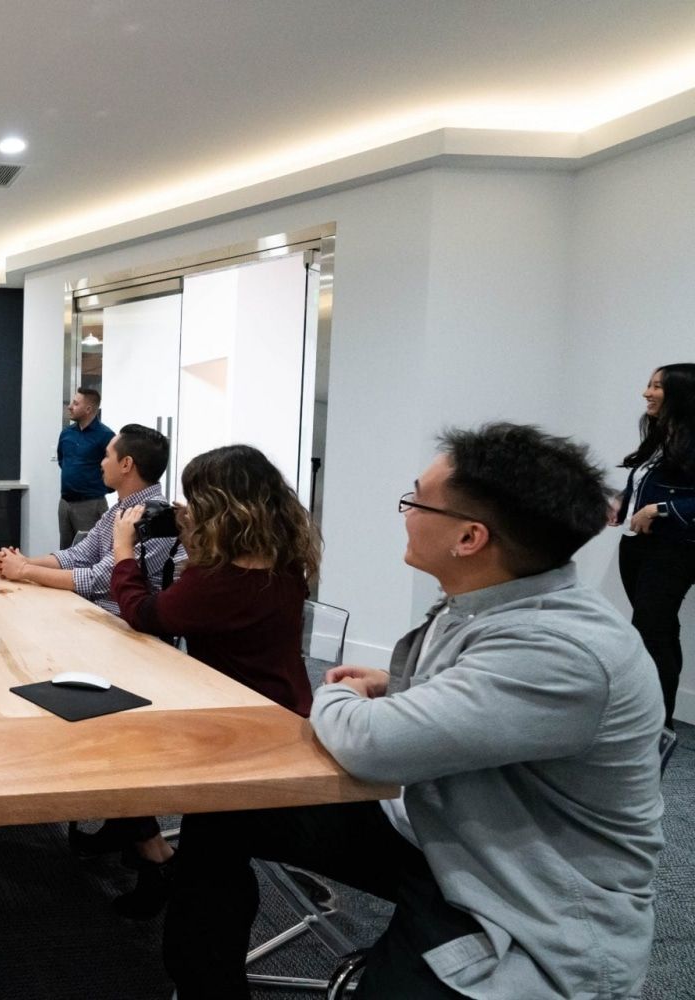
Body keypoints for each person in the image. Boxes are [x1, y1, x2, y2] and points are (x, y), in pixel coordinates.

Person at [163, 423, 664, 1000]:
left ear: (470, 538)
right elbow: (465, 701)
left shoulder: (562, 651)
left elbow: (370, 744)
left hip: (523, 896)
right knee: (225, 807)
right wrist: (400, 684)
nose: (404, 512)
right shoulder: (488, 607)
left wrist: (339, 690)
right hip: (438, 829)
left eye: (416, 500)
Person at [81, 444, 318, 919]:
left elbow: (149, 614)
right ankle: (134, 831)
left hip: (246, 734)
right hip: (282, 708)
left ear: (219, 506)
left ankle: (154, 853)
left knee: (114, 735)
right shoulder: (280, 561)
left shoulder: (224, 581)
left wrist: (125, 552)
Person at [0, 424, 185, 615]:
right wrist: (24, 561)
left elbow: (98, 581)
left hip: (128, 629)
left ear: (126, 464)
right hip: (98, 614)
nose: (101, 463)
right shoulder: (118, 510)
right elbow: (76, 556)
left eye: (107, 456)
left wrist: (24, 570)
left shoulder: (157, 522)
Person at [614, 363, 695, 727]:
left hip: (675, 548)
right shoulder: (664, 436)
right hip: (638, 545)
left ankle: (657, 723)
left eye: (657, 386)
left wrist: (660, 509)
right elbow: (647, 481)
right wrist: (624, 502)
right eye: (648, 384)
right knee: (651, 629)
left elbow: (673, 499)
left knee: (654, 630)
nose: (647, 392)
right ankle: (648, 716)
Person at [57, 386, 116, 548]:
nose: (69, 406)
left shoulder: (106, 436)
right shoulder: (66, 433)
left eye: (75, 403)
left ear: (88, 409)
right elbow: (63, 461)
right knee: (65, 553)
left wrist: (96, 489)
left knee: (89, 553)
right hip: (65, 502)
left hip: (91, 503)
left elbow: (115, 468)